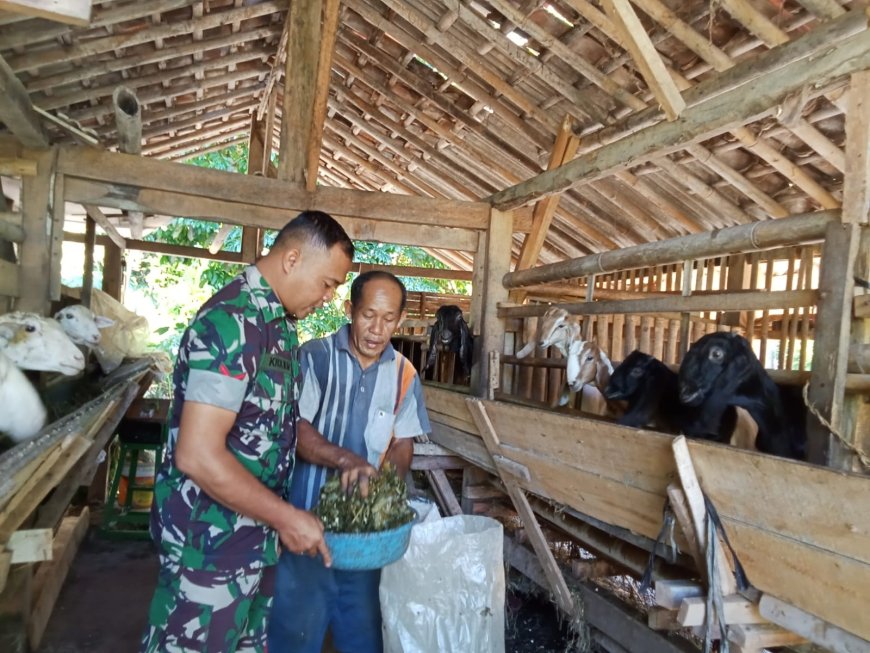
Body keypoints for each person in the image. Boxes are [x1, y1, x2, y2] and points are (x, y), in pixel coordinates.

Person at [140, 211, 355, 653]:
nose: (329, 298)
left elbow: (276, 423)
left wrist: (342, 459)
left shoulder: (276, 326)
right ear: (292, 259)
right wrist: (287, 517)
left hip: (250, 543)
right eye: (328, 283)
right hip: (208, 546)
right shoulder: (232, 322)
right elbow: (197, 455)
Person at [268, 271, 432, 653]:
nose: (377, 329)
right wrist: (346, 459)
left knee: (362, 637)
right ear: (349, 310)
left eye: (388, 318)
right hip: (306, 532)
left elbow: (402, 443)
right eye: (368, 315)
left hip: (364, 546)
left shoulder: (405, 375)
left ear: (401, 319)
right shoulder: (314, 359)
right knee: (294, 637)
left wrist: (384, 488)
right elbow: (295, 428)